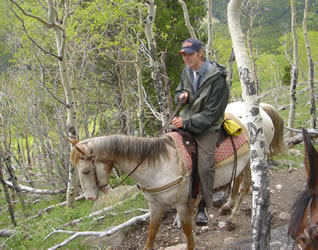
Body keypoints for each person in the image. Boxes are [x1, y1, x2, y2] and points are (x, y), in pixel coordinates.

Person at [171, 38, 229, 226]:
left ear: (200, 53)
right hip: (186, 120)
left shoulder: (217, 79)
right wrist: (181, 96)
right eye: (184, 55)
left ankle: (204, 204)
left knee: (205, 164)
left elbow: (213, 114)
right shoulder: (186, 71)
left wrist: (186, 123)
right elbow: (179, 90)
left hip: (207, 126)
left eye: (189, 54)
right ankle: (178, 199)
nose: (186, 58)